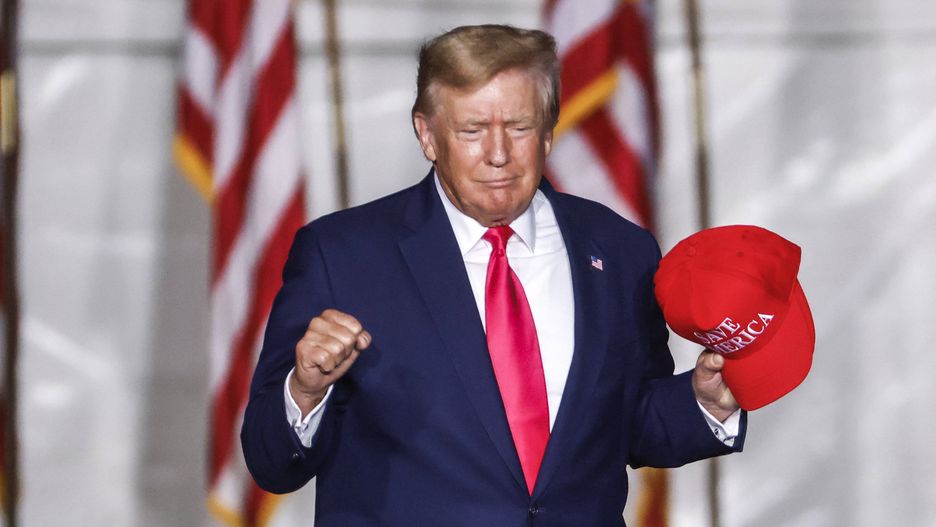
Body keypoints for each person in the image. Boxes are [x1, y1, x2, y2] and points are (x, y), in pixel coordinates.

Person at [241, 24, 744, 526]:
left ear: (548, 131)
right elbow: (270, 463)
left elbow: (629, 423)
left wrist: (702, 402)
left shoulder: (619, 249)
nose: (499, 154)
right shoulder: (343, 256)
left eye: (520, 127)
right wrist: (304, 392)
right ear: (427, 134)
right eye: (473, 130)